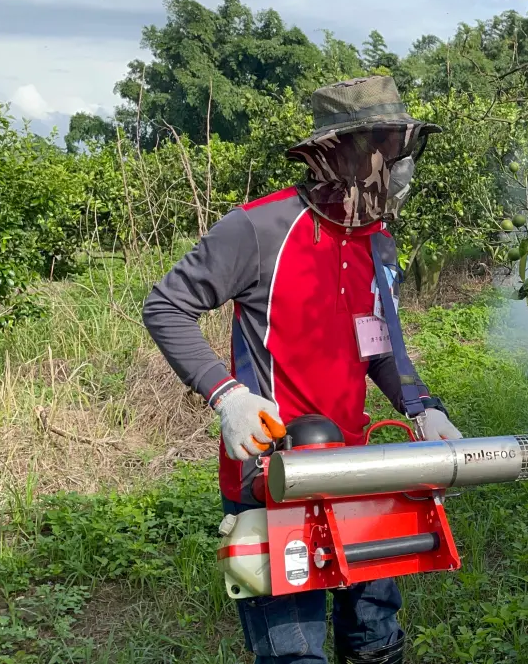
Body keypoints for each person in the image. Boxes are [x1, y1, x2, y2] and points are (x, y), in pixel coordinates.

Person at [142, 76, 462, 664]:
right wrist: (227, 396)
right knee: (294, 655)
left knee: (376, 641)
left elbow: (378, 346)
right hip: (273, 478)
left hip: (358, 474)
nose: (396, 165)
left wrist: (423, 406)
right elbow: (166, 306)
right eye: (382, 148)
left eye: (399, 149)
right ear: (336, 153)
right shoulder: (257, 229)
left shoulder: (378, 241)